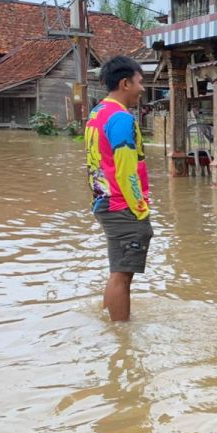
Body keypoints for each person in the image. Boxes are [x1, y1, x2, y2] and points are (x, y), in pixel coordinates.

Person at [85, 56, 151, 321]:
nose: (142, 88)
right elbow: (126, 170)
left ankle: (108, 325)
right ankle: (122, 337)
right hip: (122, 205)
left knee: (117, 272)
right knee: (123, 275)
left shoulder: (98, 113)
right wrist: (140, 208)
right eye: (139, 82)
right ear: (125, 83)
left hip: (105, 202)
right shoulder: (121, 119)